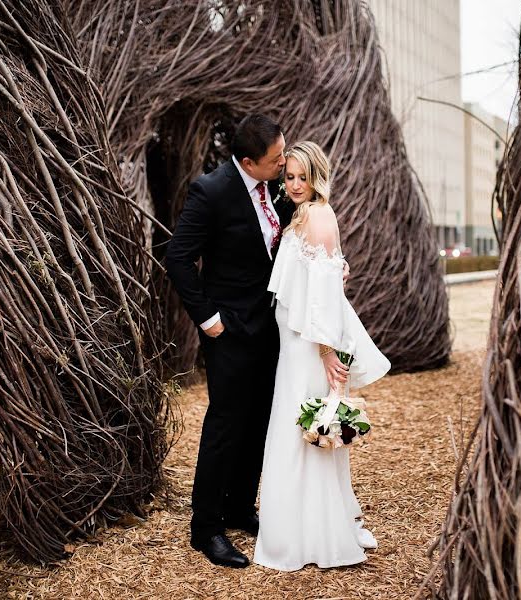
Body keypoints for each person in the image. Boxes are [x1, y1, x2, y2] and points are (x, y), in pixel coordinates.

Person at [165, 114, 295, 568]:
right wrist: (208, 318)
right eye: (276, 159)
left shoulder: (276, 187)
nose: (284, 163)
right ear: (247, 162)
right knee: (225, 426)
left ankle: (241, 507)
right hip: (229, 330)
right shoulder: (212, 190)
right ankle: (207, 528)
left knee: (259, 421)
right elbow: (178, 257)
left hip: (269, 327)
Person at [254, 141, 390, 571]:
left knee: (302, 431)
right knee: (298, 430)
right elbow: (326, 269)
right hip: (295, 340)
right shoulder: (307, 213)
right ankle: (304, 525)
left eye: (302, 177)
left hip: (308, 344)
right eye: (288, 176)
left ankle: (307, 533)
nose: (293, 184)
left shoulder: (316, 213)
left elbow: (323, 292)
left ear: (317, 176)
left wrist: (327, 352)